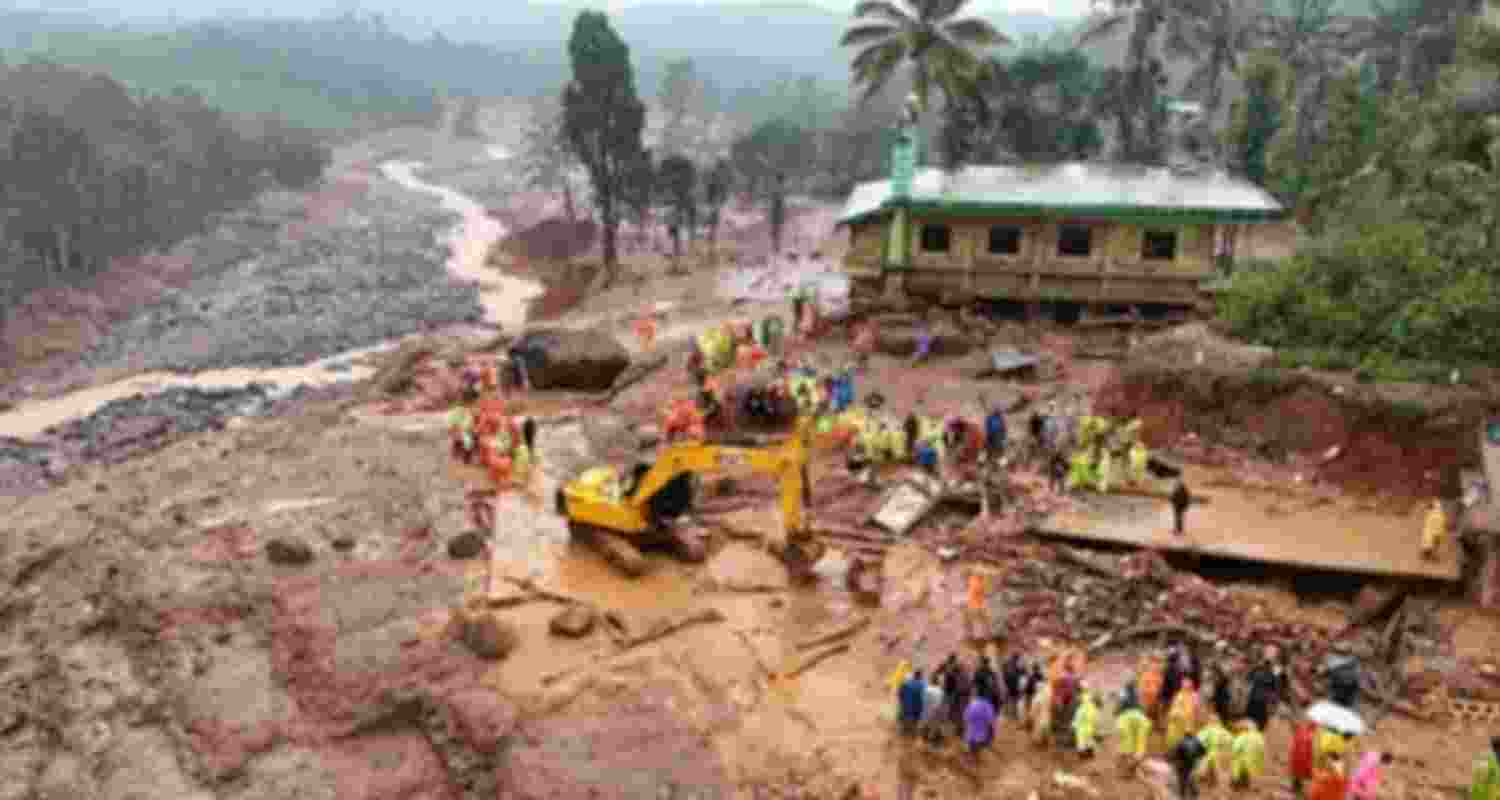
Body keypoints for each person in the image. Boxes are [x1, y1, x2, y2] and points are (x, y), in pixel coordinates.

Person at [1245, 654, 1283, 733]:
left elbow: (1248, 677)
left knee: (1252, 719)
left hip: (1256, 699)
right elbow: (1276, 689)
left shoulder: (1258, 673)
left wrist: (1255, 667)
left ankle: (1253, 732)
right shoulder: (1272, 675)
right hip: (1260, 700)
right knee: (1259, 721)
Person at [1115, 698, 1153, 775]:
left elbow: (1125, 737)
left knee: (1138, 748)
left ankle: (1131, 768)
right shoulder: (1125, 716)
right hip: (1143, 723)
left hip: (1142, 725)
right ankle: (1132, 767)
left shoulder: (1121, 719)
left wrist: (1124, 752)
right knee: (1136, 748)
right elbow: (1126, 737)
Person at [1196, 714, 1234, 787]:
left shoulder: (1206, 730)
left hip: (1210, 755)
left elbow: (1198, 741)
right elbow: (1231, 741)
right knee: (1221, 775)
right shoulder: (1224, 731)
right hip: (1223, 755)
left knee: (1204, 770)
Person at [1171, 732, 1209, 800]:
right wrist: (1198, 758)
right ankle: (1194, 794)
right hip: (1193, 763)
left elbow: (1174, 752)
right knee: (1191, 778)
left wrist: (1174, 761)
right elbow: (1204, 752)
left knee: (1182, 779)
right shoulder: (1197, 741)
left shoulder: (1181, 741)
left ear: (1185, 736)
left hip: (1182, 764)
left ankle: (1182, 795)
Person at [1230, 720, 1266, 790]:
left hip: (1242, 760)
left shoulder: (1242, 737)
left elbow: (1235, 749)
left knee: (1237, 767)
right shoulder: (1259, 737)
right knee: (1247, 772)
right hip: (1254, 761)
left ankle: (1236, 782)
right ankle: (1245, 783)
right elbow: (1262, 748)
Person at [1166, 679, 1200, 748]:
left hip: (1191, 726)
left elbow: (1197, 710)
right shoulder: (1178, 696)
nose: (1186, 689)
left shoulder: (1195, 697)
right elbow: (1173, 711)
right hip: (1179, 725)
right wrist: (1178, 715)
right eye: (1184, 687)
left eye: (1188, 687)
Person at [963, 691, 997, 759]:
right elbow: (991, 720)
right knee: (978, 749)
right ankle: (976, 757)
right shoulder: (987, 705)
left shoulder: (972, 704)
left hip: (970, 734)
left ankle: (972, 757)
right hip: (981, 736)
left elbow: (965, 717)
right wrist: (992, 732)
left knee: (972, 748)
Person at [1290, 719, 1318, 798]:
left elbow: (1294, 748)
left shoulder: (1300, 731)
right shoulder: (1309, 737)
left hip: (1296, 761)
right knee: (1305, 784)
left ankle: (1296, 792)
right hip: (1303, 762)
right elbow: (1309, 753)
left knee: (1297, 782)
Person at [1072, 685, 1100, 757]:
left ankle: (1082, 754)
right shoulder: (1092, 707)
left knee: (1081, 741)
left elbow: (1078, 717)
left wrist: (1074, 725)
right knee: (1089, 739)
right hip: (1090, 727)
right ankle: (1090, 752)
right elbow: (1096, 717)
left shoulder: (1081, 708)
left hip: (1082, 727)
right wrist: (1096, 726)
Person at [898, 669, 927, 736]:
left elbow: (900, 694)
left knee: (904, 722)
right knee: (914, 723)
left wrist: (902, 703)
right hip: (917, 708)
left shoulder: (905, 683)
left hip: (906, 707)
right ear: (920, 676)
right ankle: (912, 733)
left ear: (914, 675)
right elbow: (924, 697)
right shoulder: (923, 685)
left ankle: (904, 732)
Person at [921, 673, 947, 743]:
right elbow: (942, 703)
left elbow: (924, 701)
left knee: (926, 727)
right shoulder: (940, 691)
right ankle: (935, 740)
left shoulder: (927, 689)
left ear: (931, 681)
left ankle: (925, 739)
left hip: (928, 711)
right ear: (937, 681)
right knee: (935, 727)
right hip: (936, 712)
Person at [1003, 654, 1025, 720]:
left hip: (1009, 686)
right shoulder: (1017, 666)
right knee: (1014, 701)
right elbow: (1022, 674)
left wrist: (1005, 684)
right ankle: (1013, 714)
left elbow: (1005, 675)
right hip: (1014, 686)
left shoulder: (1008, 665)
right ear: (1017, 658)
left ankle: (1008, 713)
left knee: (1010, 700)